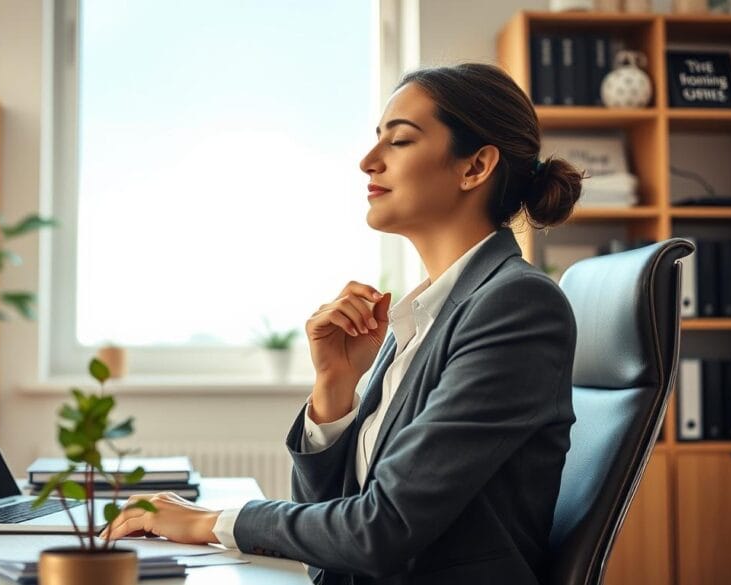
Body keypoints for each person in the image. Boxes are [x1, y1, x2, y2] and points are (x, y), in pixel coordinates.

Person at [103, 63, 584, 584]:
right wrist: (335, 388)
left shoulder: (515, 305)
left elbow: (383, 529)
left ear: (475, 167)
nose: (367, 161)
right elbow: (333, 534)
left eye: (399, 141)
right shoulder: (424, 315)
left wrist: (206, 522)